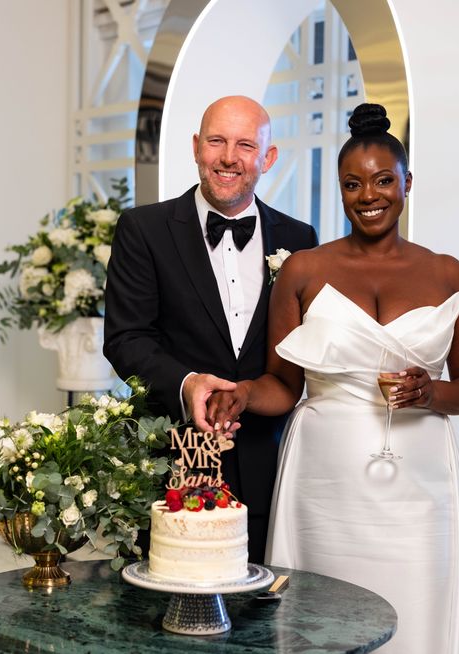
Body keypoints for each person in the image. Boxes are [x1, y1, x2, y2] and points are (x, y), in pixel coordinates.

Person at [207, 103, 459, 652]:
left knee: (419, 609)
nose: (369, 195)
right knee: (322, 619)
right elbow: (282, 385)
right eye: (353, 184)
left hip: (418, 482)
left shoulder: (447, 273)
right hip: (323, 482)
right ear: (341, 191)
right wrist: (244, 393)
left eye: (383, 180)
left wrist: (431, 393)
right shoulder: (303, 269)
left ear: (407, 183)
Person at [103, 95, 318, 563]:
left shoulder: (300, 240)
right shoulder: (143, 229)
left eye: (245, 145)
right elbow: (125, 338)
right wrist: (186, 384)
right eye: (217, 141)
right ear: (197, 147)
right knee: (172, 590)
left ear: (268, 157)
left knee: (266, 593)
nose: (228, 157)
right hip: (174, 456)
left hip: (270, 459)